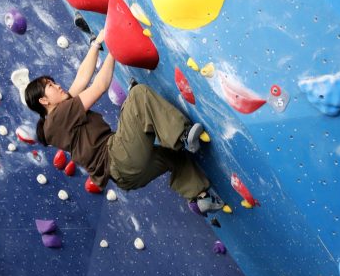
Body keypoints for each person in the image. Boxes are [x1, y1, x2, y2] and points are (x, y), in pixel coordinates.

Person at [24, 29, 224, 216]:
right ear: (44, 100)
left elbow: (80, 79)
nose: (57, 85)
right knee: (138, 95)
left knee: (172, 155)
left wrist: (96, 44)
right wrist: (114, 48)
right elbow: (100, 85)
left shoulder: (56, 123)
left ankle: (201, 197)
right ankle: (183, 135)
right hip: (118, 157)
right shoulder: (58, 117)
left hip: (126, 178)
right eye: (50, 86)